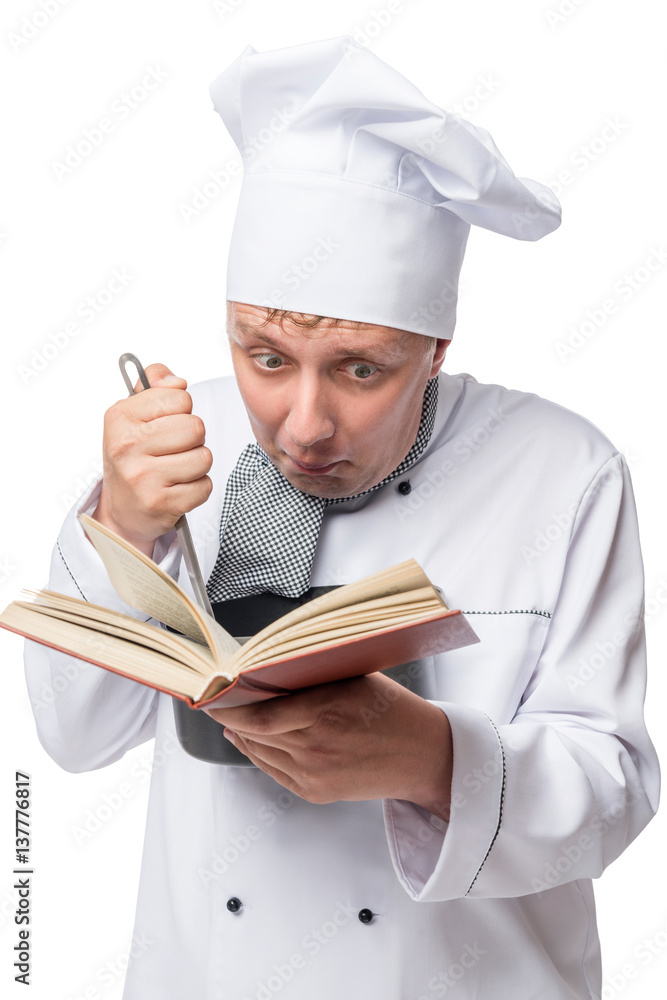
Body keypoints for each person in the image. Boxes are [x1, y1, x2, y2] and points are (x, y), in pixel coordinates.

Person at [24, 35, 659, 1000]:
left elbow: (614, 795)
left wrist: (432, 758)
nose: (302, 425)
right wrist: (117, 523)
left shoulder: (563, 471)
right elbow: (73, 738)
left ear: (435, 347)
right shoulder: (170, 445)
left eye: (362, 368)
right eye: (264, 356)